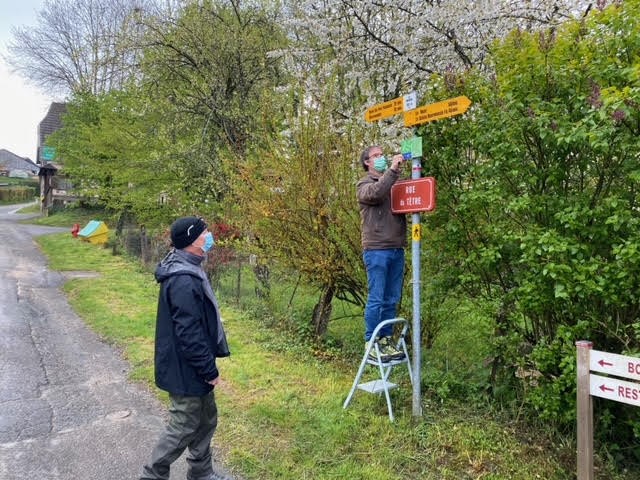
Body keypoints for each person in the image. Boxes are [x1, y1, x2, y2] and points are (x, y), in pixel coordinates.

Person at [140, 216, 231, 480]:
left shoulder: (188, 266)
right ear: (192, 241)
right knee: (183, 425)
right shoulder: (183, 278)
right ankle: (152, 475)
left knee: (205, 420)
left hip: (191, 364)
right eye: (205, 233)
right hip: (185, 367)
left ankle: (201, 473)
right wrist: (208, 369)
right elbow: (189, 334)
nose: (210, 236)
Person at [356, 146, 407, 362]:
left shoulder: (391, 182)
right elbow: (377, 193)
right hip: (376, 249)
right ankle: (371, 341)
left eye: (381, 155)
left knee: (391, 298)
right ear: (367, 162)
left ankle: (385, 340)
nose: (381, 158)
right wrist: (393, 171)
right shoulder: (364, 184)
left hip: (396, 248)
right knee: (376, 298)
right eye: (376, 156)